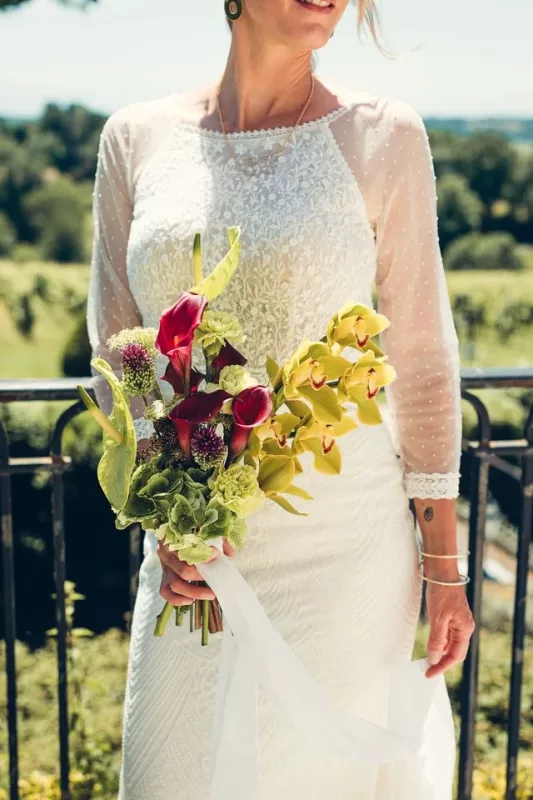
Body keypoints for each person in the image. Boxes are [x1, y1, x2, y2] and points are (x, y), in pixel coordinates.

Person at [87, 0, 475, 797]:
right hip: (192, 561)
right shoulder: (134, 139)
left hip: (345, 556)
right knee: (174, 770)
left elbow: (422, 355)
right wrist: (166, 517)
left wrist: (444, 566)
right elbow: (116, 347)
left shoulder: (384, 137)